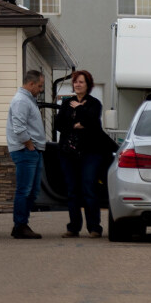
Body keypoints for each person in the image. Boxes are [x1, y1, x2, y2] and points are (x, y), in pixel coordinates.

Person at [56, 69, 116, 238]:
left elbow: (93, 124)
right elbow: (59, 125)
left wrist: (81, 110)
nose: (77, 84)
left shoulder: (94, 104)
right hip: (69, 153)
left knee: (89, 188)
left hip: (91, 153)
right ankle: (73, 227)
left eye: (81, 82)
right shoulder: (67, 103)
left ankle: (94, 228)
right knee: (72, 190)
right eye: (75, 82)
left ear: (88, 85)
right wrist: (75, 125)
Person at [6, 69, 46, 239]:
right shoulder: (21, 101)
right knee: (24, 190)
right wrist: (29, 145)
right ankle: (20, 225)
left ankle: (21, 224)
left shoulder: (29, 100)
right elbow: (19, 127)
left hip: (32, 150)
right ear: (31, 84)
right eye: (39, 85)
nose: (41, 89)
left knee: (33, 191)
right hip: (25, 151)